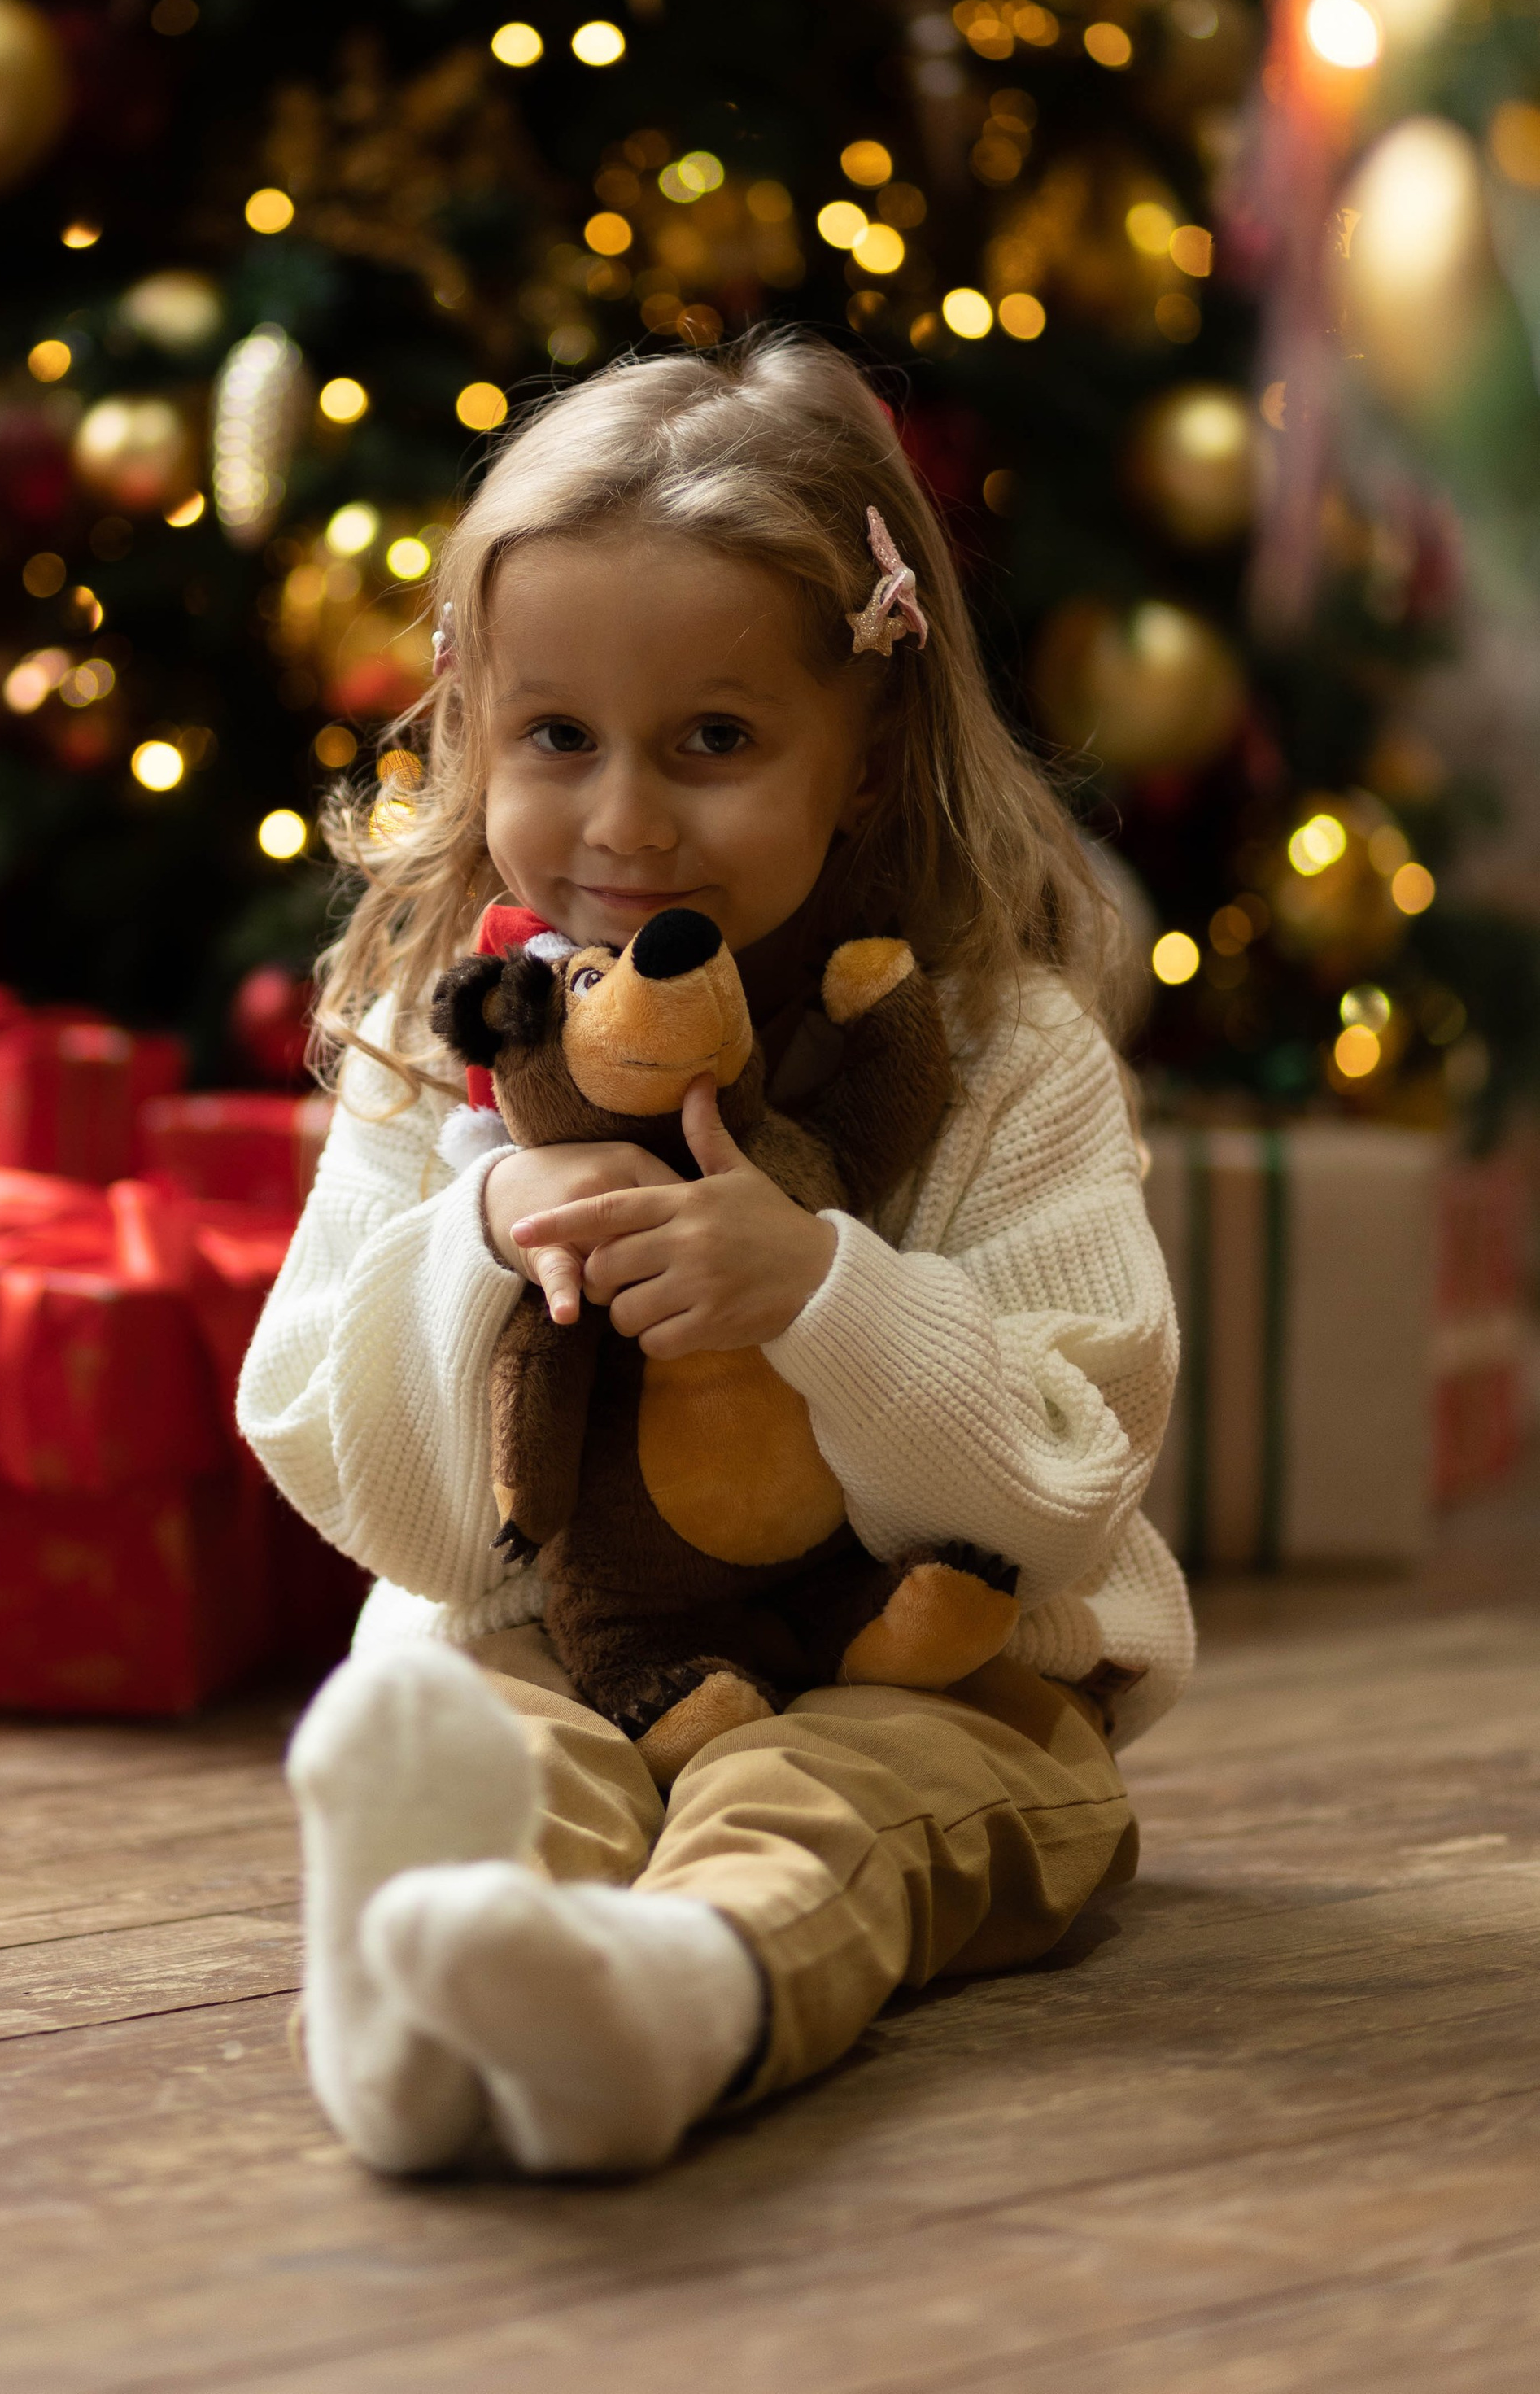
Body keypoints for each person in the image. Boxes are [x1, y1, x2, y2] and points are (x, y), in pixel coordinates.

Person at [238, 334, 1189, 2179]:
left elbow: (1074, 1468)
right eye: (555, 738)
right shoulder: (438, 1033)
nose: (625, 822)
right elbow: (335, 1452)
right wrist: (477, 1244)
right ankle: (403, 2031)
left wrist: (824, 1295)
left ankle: (673, 1999)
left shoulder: (999, 1052)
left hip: (925, 1678)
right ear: (466, 723)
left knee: (814, 1794)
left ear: (864, 749)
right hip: (557, 1647)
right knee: (487, 1757)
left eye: (715, 742)